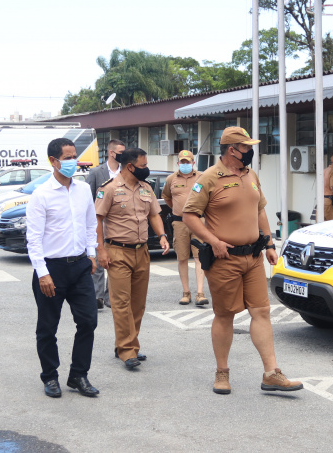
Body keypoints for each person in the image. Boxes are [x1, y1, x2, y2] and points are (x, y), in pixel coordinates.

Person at [182, 127, 303, 395]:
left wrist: (270, 243)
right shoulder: (209, 178)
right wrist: (212, 241)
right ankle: (222, 373)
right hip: (224, 259)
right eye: (247, 147)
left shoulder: (251, 175)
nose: (251, 151)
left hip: (254, 257)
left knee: (261, 312)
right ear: (232, 150)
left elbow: (259, 210)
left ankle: (272, 373)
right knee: (225, 315)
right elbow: (189, 215)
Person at [26, 138, 100, 399]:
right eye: (67, 157)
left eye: (74, 156)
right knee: (48, 327)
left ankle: (78, 374)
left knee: (89, 321)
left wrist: (91, 255)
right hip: (52, 269)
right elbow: (33, 238)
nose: (72, 162)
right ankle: (50, 376)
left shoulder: (82, 191)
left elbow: (91, 225)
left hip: (79, 266)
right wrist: (42, 272)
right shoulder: (41, 194)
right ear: (53, 161)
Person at [95, 148, 169, 369]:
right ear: (130, 166)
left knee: (138, 304)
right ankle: (127, 350)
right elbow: (97, 220)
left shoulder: (146, 188)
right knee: (121, 303)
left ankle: (128, 345)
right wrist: (101, 251)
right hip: (117, 251)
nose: (146, 169)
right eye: (143, 166)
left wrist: (162, 236)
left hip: (142, 251)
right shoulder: (109, 189)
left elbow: (154, 214)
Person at [161, 150, 207, 306]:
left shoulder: (202, 177)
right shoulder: (171, 179)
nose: (185, 165)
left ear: (193, 163)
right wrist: (178, 209)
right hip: (180, 223)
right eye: (183, 162)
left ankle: (200, 293)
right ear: (178, 163)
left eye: (188, 162)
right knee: (181, 257)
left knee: (199, 256)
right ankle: (186, 292)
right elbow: (167, 197)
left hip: (199, 221)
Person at [85, 139, 126, 309]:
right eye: (121, 152)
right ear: (111, 152)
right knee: (99, 256)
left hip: (119, 222)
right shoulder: (96, 173)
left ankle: (111, 296)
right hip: (99, 220)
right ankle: (98, 296)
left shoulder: (126, 171)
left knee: (115, 260)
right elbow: (87, 198)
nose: (124, 155)